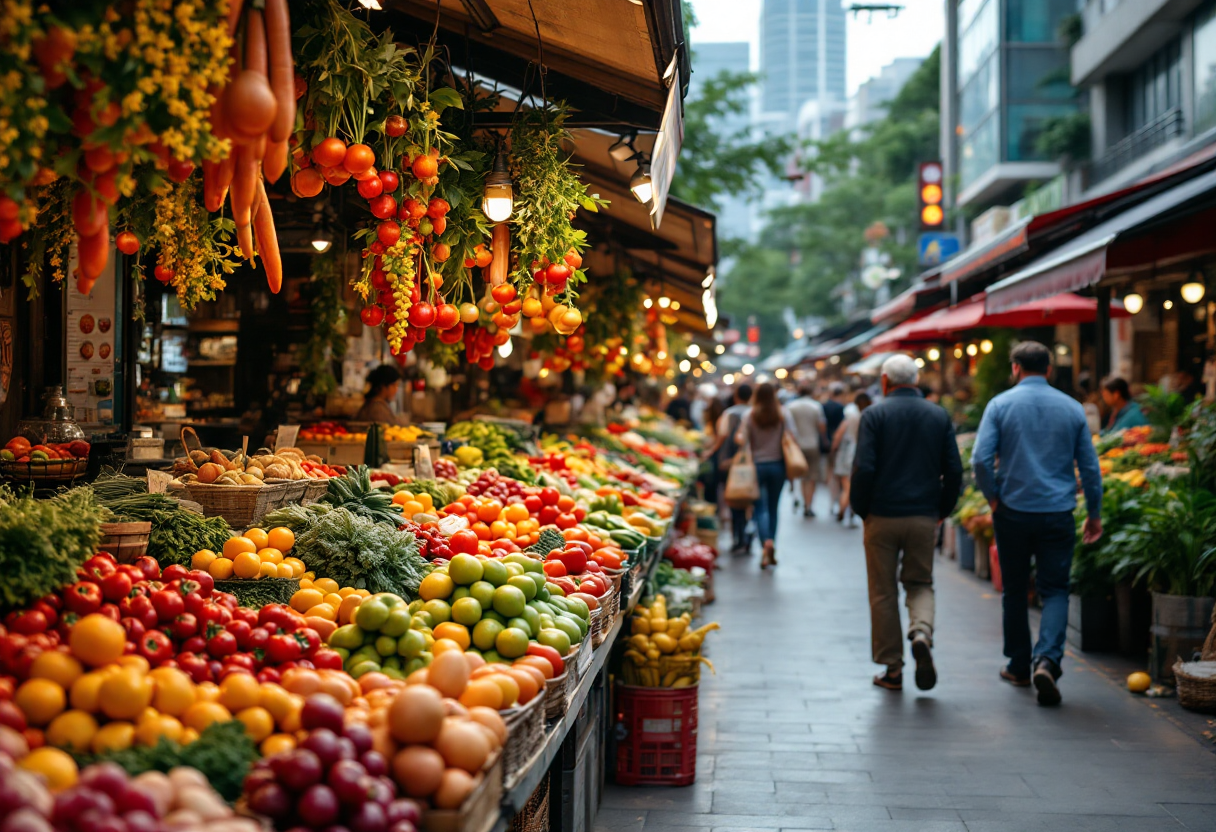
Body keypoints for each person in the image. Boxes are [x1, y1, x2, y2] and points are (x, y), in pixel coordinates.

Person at [973, 341, 1103, 706]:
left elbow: (981, 460)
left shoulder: (999, 405)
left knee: (1014, 589)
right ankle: (1047, 660)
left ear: (1015, 368)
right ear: (1049, 369)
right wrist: (1094, 514)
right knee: (1056, 590)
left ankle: (1017, 665)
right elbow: (1091, 469)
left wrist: (993, 498)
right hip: (1058, 511)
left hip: (1012, 511)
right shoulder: (1072, 408)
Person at [850, 355, 963, 692]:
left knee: (882, 592)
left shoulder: (873, 415)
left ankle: (892, 669)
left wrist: (862, 509)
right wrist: (941, 509)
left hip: (881, 515)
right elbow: (954, 471)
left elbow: (864, 468)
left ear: (884, 381)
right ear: (916, 380)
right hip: (922, 515)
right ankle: (921, 632)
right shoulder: (938, 414)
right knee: (920, 582)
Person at [734, 382, 797, 568]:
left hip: (757, 467)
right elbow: (793, 436)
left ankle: (764, 544)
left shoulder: (750, 414)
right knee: (773, 507)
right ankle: (772, 540)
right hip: (778, 466)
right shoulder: (783, 414)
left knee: (759, 507)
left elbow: (741, 439)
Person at [705, 384, 754, 554]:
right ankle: (747, 531)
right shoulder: (755, 412)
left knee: (734, 500)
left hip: (729, 464)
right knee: (749, 500)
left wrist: (712, 452)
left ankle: (738, 537)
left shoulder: (729, 414)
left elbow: (722, 436)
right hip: (751, 464)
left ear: (736, 396)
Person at [786, 382, 828, 517]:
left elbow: (787, 428)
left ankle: (801, 499)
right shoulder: (816, 406)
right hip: (812, 444)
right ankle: (808, 505)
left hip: (796, 446)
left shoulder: (791, 406)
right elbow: (821, 426)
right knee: (812, 476)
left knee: (802, 476)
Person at [832, 391, 871, 525]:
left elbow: (839, 433)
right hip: (861, 452)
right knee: (854, 484)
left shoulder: (851, 414)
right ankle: (850, 512)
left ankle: (843, 509)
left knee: (847, 485)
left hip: (848, 450)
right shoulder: (869, 415)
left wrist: (834, 448)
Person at [821, 382, 848, 510]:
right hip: (838, 444)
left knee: (830, 471)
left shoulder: (823, 406)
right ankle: (836, 498)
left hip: (826, 442)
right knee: (837, 472)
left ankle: (833, 498)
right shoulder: (840, 407)